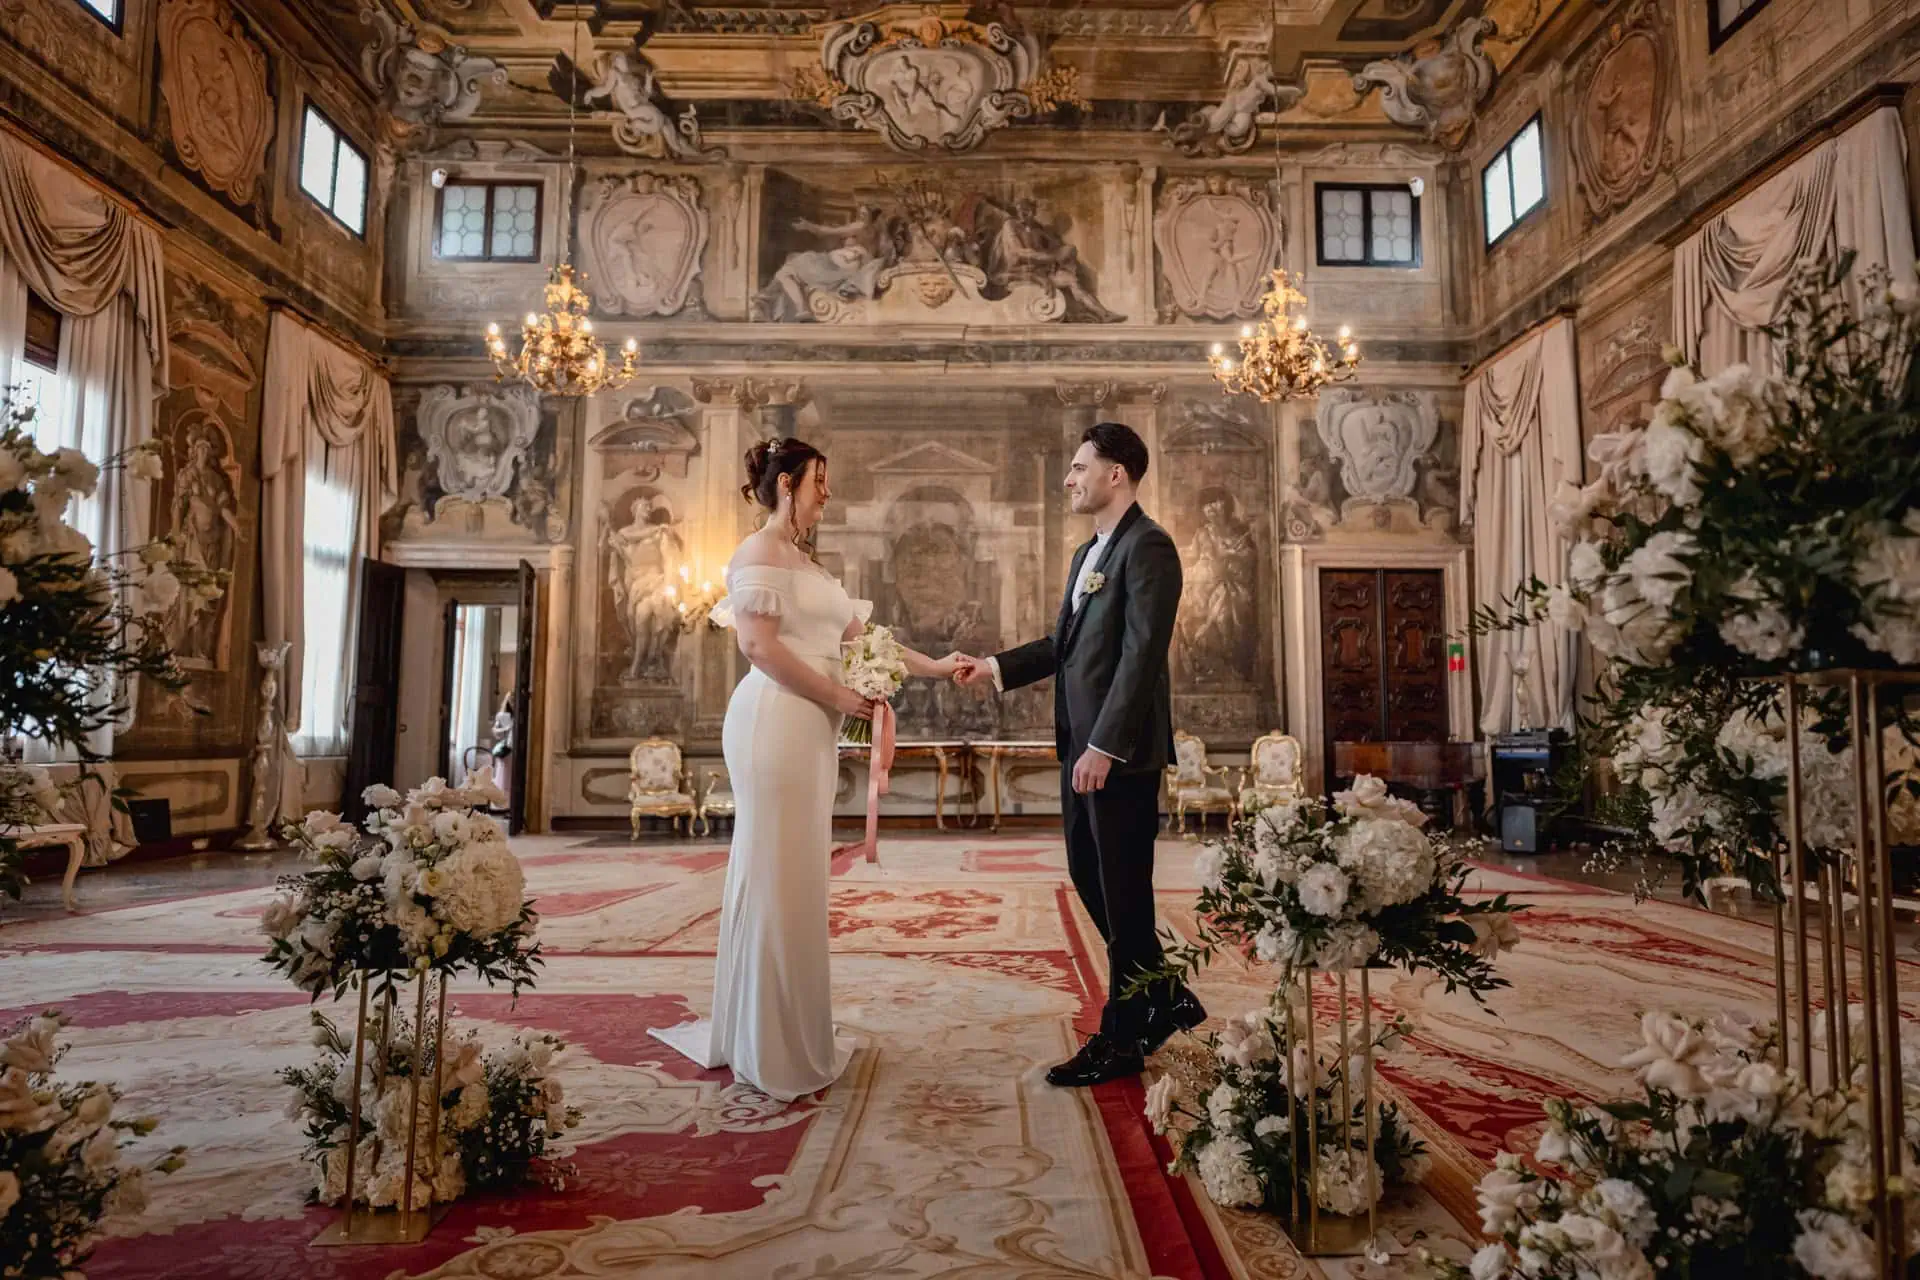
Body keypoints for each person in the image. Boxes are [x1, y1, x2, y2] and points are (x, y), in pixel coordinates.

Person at [649, 436, 965, 1102]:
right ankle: (772, 1047)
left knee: (796, 875)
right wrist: (846, 699)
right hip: (775, 721)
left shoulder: (804, 564)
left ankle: (780, 1029)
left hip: (806, 726)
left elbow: (866, 642)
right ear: (788, 483)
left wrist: (941, 665)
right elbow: (761, 649)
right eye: (821, 480)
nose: (828, 492)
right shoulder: (758, 554)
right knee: (778, 872)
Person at [954, 422, 1204, 1087]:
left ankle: (1122, 1040)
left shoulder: (1149, 547)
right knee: (1094, 882)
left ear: (1114, 473)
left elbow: (1141, 655)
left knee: (1122, 895)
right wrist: (992, 666)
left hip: (1115, 754)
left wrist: (1104, 745)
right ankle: (1168, 1000)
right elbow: (1062, 645)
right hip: (1082, 750)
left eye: (1077, 467)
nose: (1068, 479)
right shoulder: (1087, 555)